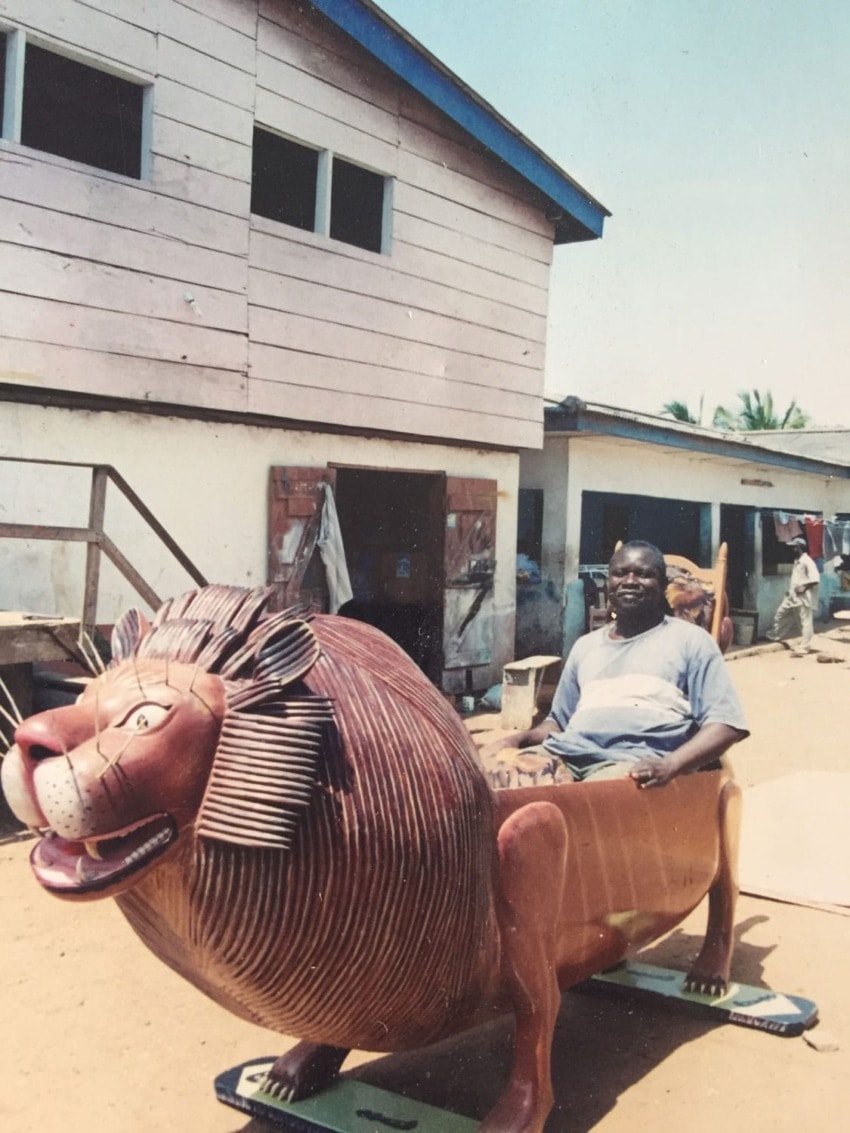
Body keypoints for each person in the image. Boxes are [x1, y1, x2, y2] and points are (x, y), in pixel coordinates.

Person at [478, 540, 748, 789]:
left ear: (663, 583)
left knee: (579, 802)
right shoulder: (586, 646)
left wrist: (671, 764)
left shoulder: (691, 641)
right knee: (488, 779)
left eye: (643, 574)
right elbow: (559, 722)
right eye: (620, 573)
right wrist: (519, 739)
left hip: (630, 764)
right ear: (609, 582)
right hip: (566, 753)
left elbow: (726, 724)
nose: (629, 581)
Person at [765, 537, 820, 656]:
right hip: (793, 596)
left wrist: (804, 587)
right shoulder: (797, 560)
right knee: (781, 613)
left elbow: (815, 578)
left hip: (803, 597)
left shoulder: (807, 561)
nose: (791, 549)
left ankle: (805, 646)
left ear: (798, 547)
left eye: (793, 547)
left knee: (805, 622)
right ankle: (775, 635)